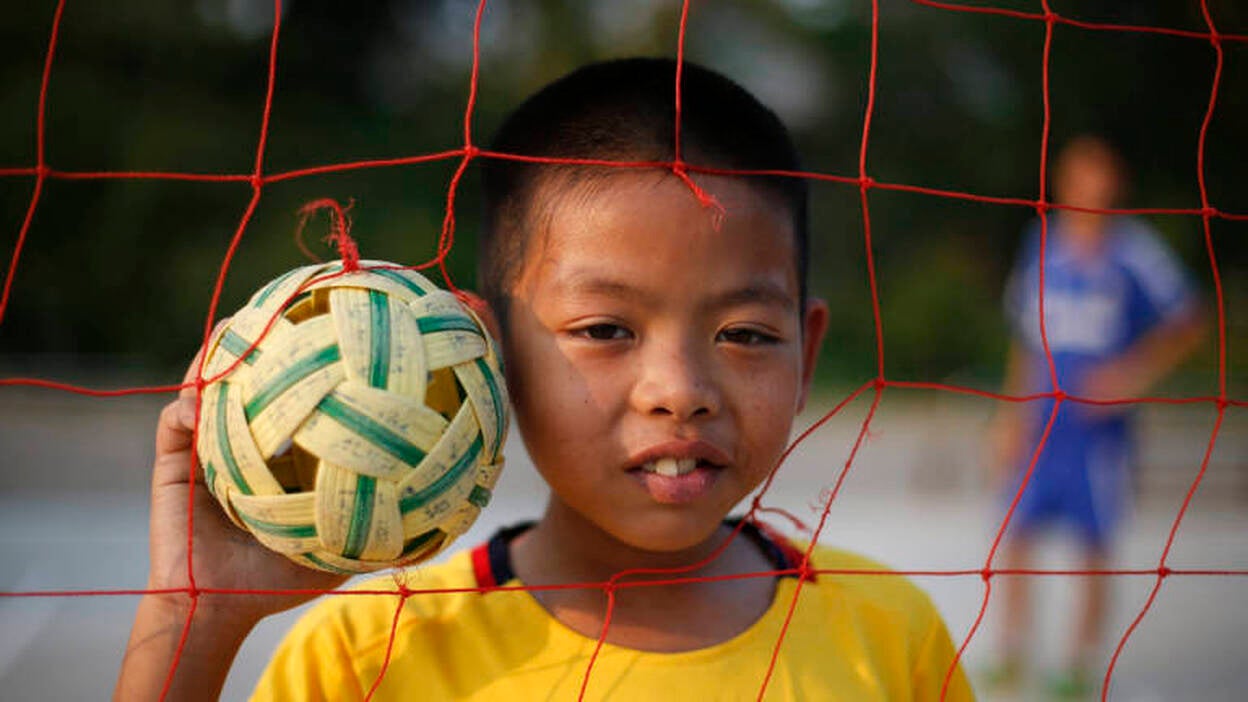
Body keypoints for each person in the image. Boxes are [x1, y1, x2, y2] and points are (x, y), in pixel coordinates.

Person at [115, 58, 974, 701]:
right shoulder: (368, 653)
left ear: (809, 352)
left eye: (745, 334)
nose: (679, 389)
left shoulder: (890, 636)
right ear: (487, 354)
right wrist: (197, 615)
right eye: (606, 330)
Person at [987, 135, 1206, 698]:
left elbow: (1190, 317)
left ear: (1115, 183)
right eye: (1081, 176)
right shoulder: (1044, 242)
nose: (1091, 187)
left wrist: (1131, 375)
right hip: (1041, 419)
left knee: (1093, 543)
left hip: (1095, 429)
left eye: (1101, 176)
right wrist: (1010, 415)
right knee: (1014, 535)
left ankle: (1079, 662)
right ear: (1064, 181)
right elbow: (1024, 335)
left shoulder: (1134, 249)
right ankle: (1011, 650)